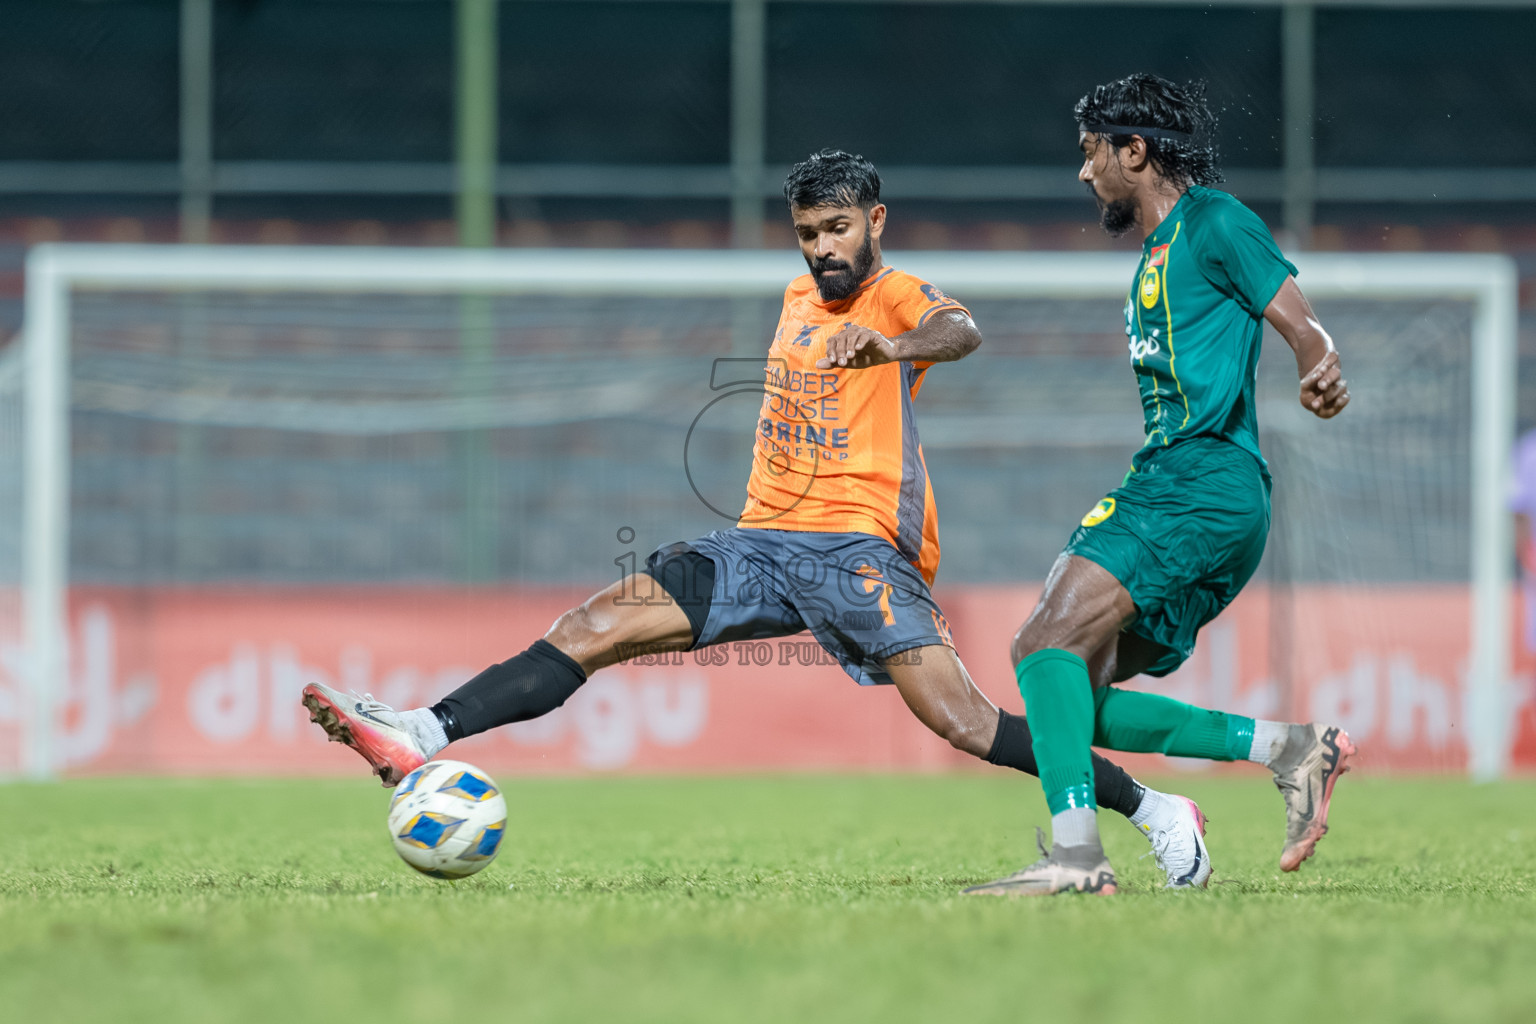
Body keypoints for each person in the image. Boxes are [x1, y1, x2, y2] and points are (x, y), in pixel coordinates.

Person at [303, 149, 1213, 888]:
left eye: (839, 228)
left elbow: (961, 329)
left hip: (858, 545)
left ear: (876, 223)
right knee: (593, 625)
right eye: (809, 233)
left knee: (966, 723)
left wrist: (892, 345)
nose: (823, 248)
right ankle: (423, 733)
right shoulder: (795, 298)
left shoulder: (893, 297)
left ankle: (1154, 810)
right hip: (756, 542)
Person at [965, 76, 1356, 897]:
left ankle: (1075, 860)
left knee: (1041, 642)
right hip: (1201, 492)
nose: (1084, 175)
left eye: (1090, 154)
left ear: (1133, 150)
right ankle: (1290, 751)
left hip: (1199, 481)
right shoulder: (1155, 252)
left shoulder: (1214, 221)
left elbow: (1298, 315)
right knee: (1069, 696)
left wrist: (1317, 361)